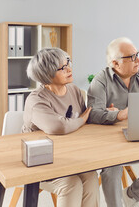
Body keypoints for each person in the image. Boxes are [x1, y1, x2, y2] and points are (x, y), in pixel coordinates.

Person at [87, 37, 139, 207]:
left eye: (137, 54)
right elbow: (92, 114)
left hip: (138, 138)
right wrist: (119, 115)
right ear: (115, 63)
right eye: (132, 57)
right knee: (112, 169)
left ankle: (132, 195)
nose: (138, 60)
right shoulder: (100, 81)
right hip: (112, 145)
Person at [23, 48, 100, 207]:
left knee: (91, 175)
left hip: (69, 156)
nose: (69, 69)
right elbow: (58, 126)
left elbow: (81, 124)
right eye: (62, 68)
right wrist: (82, 118)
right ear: (47, 74)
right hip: (40, 161)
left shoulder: (74, 90)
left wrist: (105, 113)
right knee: (71, 183)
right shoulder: (36, 99)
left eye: (68, 63)